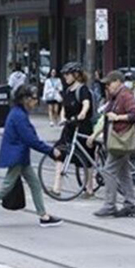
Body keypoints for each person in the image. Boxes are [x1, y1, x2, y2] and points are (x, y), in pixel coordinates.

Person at [0, 84, 64, 228]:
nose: (36, 102)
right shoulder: (19, 116)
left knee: (34, 184)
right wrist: (50, 151)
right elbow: (30, 139)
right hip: (16, 156)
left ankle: (43, 216)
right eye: (34, 99)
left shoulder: (19, 113)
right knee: (7, 185)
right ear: (25, 99)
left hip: (20, 156)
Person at [87, 71, 135, 218]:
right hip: (117, 140)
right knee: (124, 174)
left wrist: (118, 117)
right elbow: (105, 117)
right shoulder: (115, 97)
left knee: (108, 171)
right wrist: (95, 134)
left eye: (109, 83)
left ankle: (110, 205)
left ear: (118, 81)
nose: (107, 86)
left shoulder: (125, 95)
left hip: (120, 140)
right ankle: (130, 204)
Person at [55, 62, 95, 196]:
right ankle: (57, 188)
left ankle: (89, 188)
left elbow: (86, 104)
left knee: (86, 158)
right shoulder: (67, 90)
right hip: (69, 127)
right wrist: (62, 118)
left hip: (82, 127)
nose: (65, 77)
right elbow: (64, 108)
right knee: (59, 153)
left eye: (67, 74)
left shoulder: (82, 90)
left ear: (76, 75)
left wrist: (82, 113)